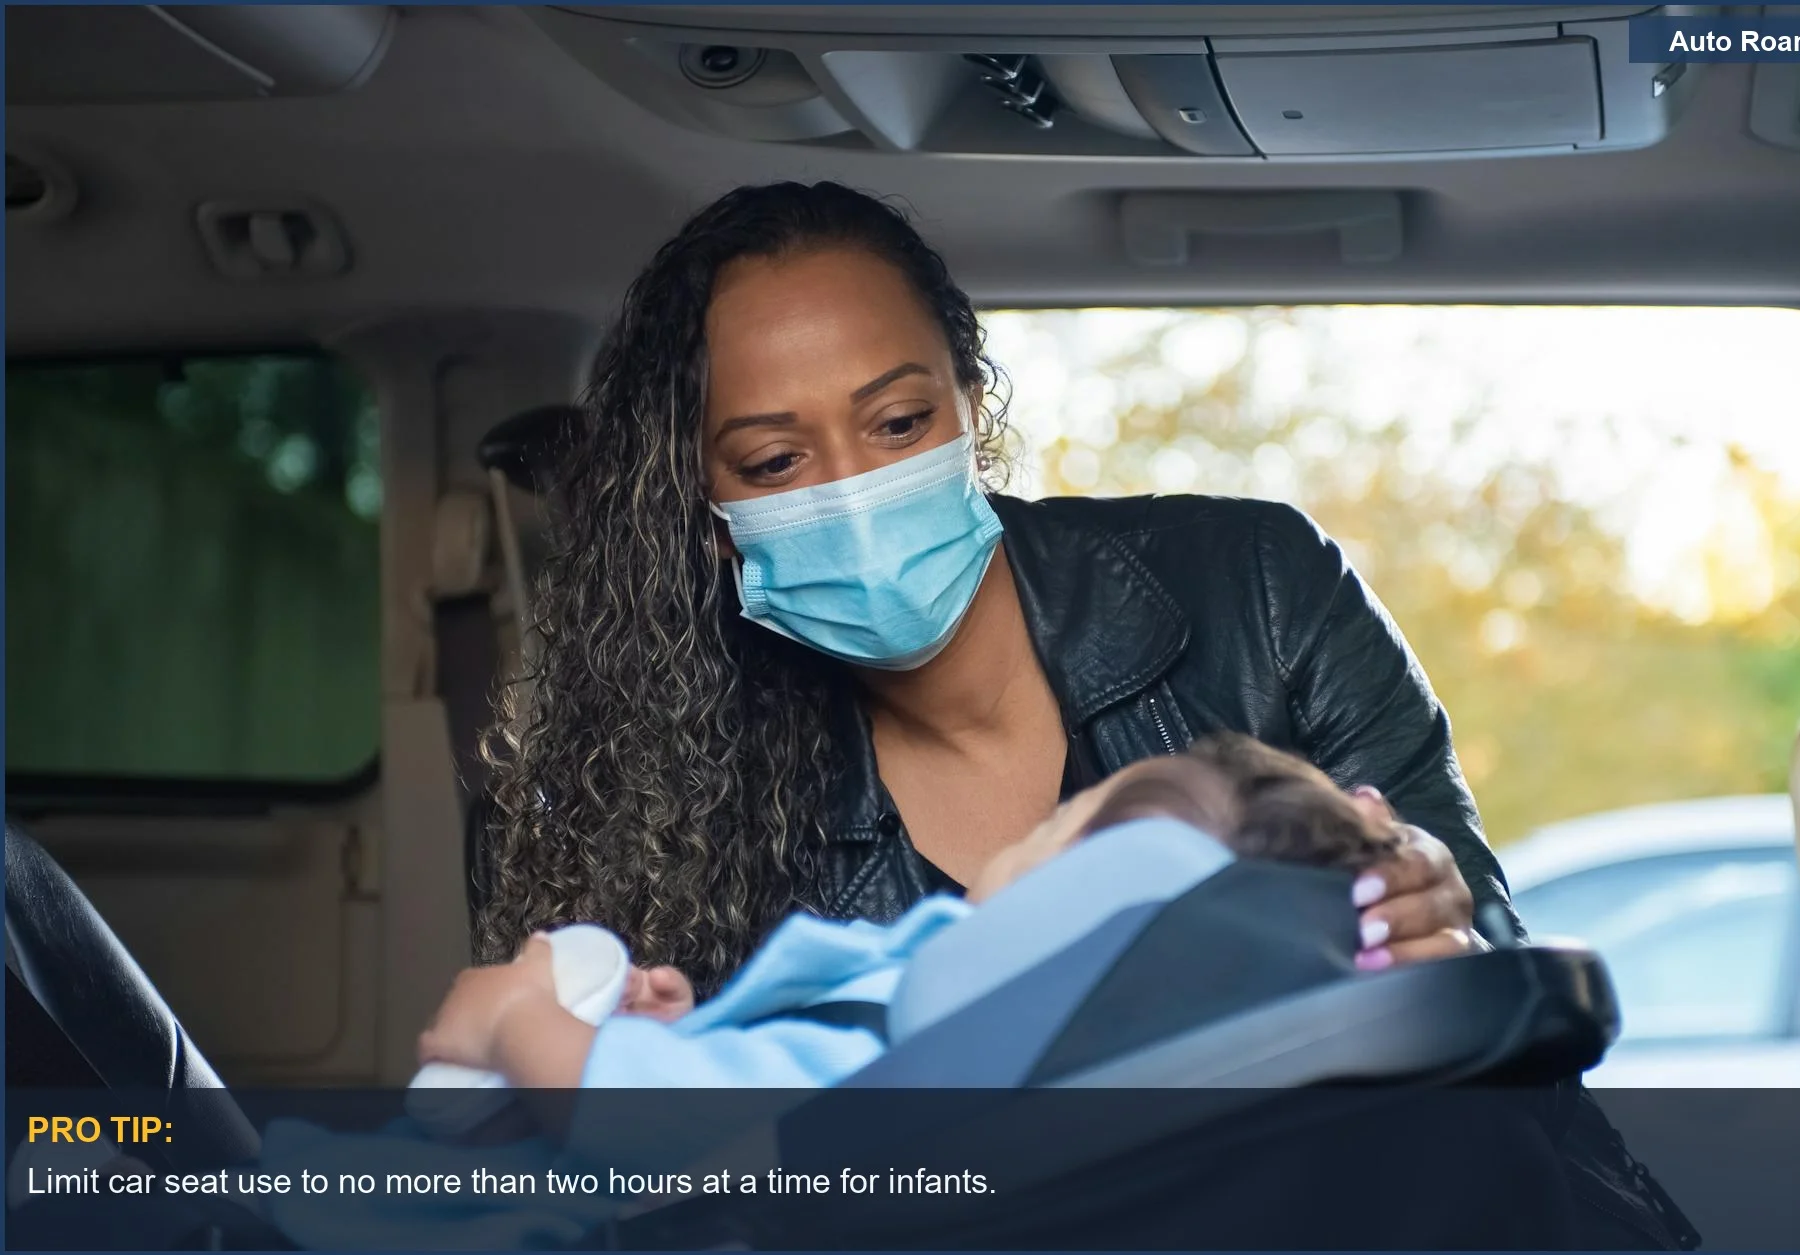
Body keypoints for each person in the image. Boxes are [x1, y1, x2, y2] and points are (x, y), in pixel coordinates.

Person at [472, 180, 1694, 1249]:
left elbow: (1499, 1003)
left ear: (969, 402)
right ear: (701, 507)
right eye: (774, 462)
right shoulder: (680, 792)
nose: (852, 491)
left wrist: (1442, 930)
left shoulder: (1260, 588)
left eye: (897, 422)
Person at [426, 736, 1403, 1093]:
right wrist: (685, 1032)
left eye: (1058, 824)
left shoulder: (908, 1061)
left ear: (1069, 918)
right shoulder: (944, 1039)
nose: (1027, 831)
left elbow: (652, 1130)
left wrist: (516, 1020)